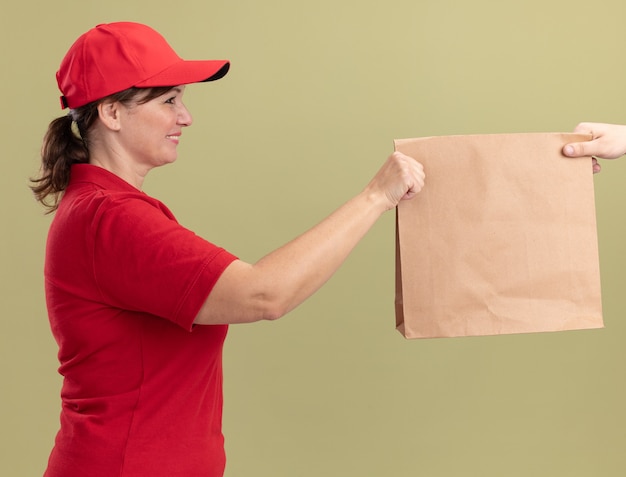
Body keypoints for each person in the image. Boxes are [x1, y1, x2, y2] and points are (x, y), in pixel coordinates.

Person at [31, 22, 425, 477]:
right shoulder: (111, 219)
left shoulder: (104, 210)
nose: (185, 116)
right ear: (112, 114)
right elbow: (264, 294)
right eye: (168, 100)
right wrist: (376, 196)